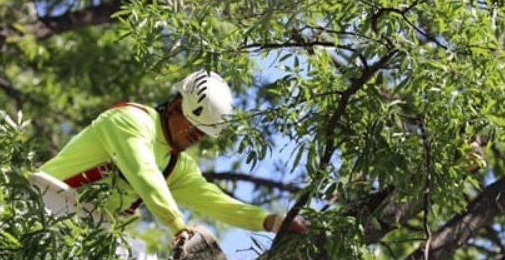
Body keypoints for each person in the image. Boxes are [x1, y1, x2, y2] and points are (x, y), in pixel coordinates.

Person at [37, 70, 307, 245]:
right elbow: (144, 171)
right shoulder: (130, 120)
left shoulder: (175, 165)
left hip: (78, 235)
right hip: (38, 207)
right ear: (177, 107)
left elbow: (216, 202)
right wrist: (178, 226)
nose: (198, 137)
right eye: (196, 127)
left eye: (204, 134)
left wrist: (268, 221)